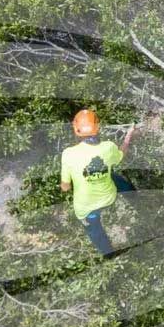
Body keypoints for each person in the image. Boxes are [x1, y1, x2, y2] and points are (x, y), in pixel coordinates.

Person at [59, 108, 137, 255]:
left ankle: (108, 253)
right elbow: (122, 153)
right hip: (109, 198)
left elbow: (65, 187)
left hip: (87, 209)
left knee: (94, 231)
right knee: (109, 173)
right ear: (97, 127)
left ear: (76, 129)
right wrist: (129, 135)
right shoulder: (108, 147)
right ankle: (134, 195)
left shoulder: (68, 154)